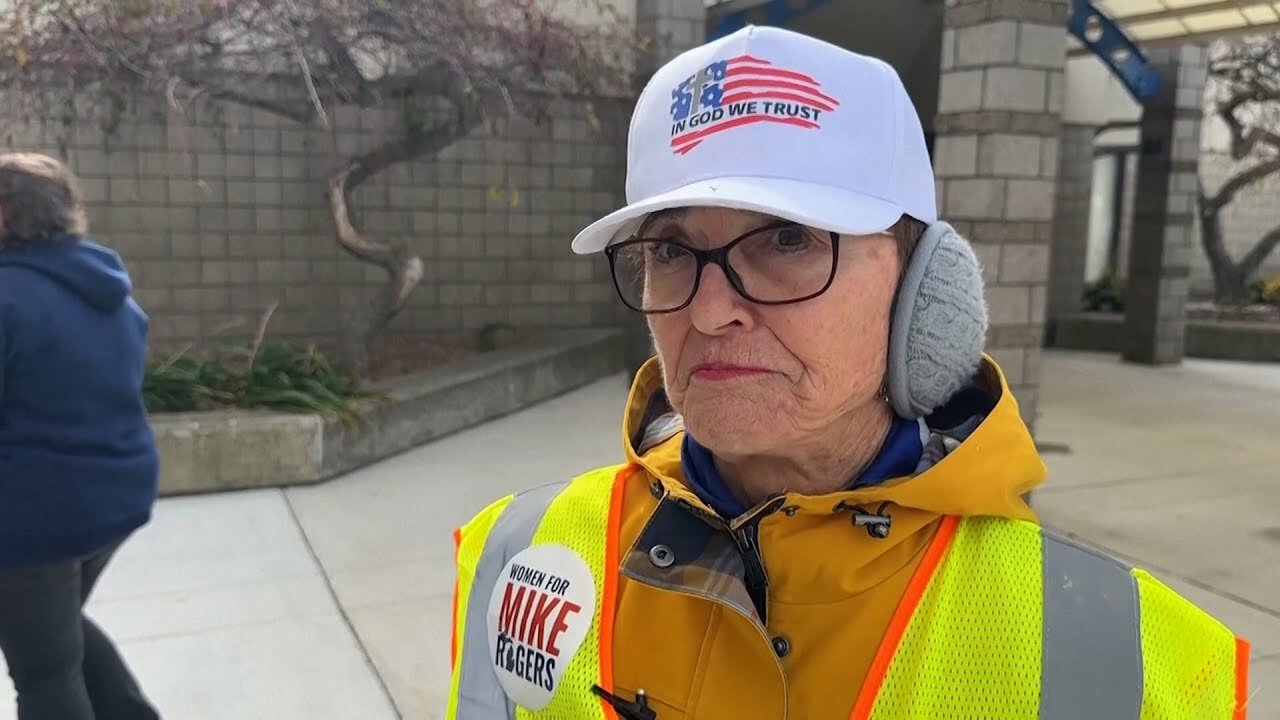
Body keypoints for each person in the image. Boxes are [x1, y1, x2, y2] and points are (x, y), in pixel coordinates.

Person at [446, 26, 1251, 720]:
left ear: (923, 287)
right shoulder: (519, 550)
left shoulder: (1132, 661)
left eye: (788, 240)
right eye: (670, 250)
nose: (708, 311)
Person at [0, 152, 162, 720]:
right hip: (112, 500)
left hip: (33, 518)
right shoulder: (106, 289)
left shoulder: (8, 297)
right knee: (54, 628)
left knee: (44, 673)